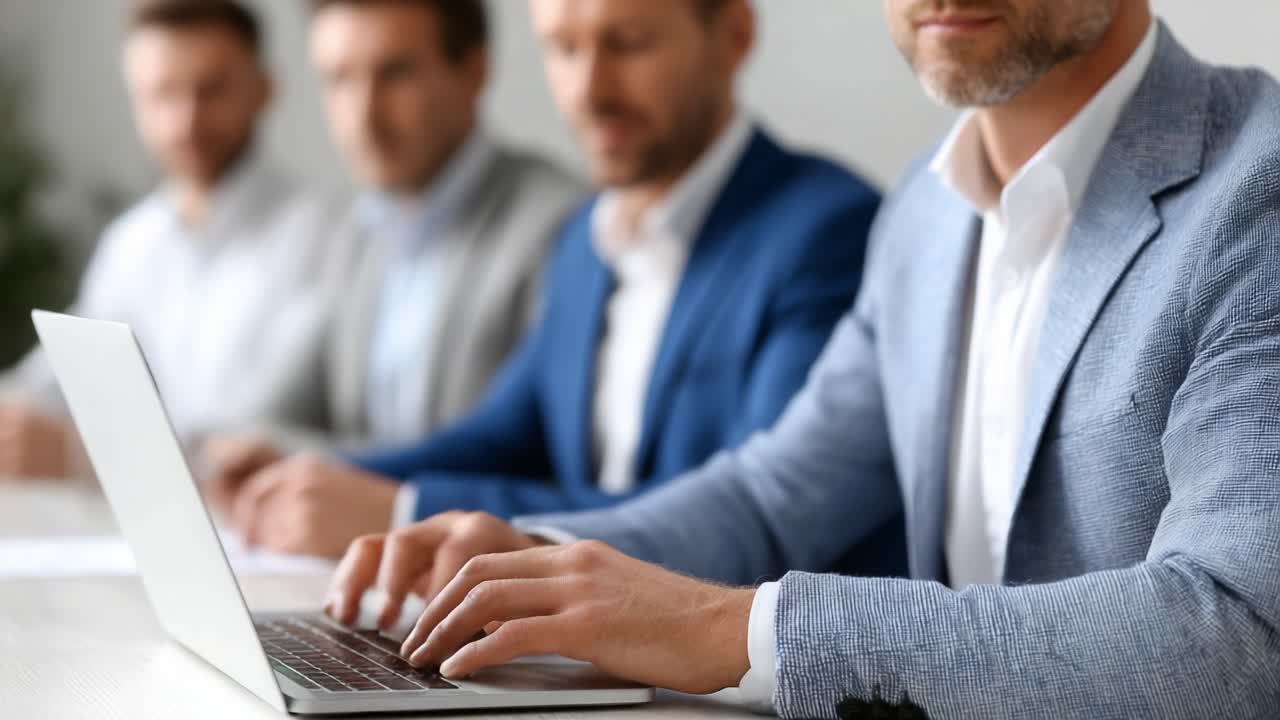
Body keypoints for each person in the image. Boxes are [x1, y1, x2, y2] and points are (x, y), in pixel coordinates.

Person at [325, 0, 1280, 717]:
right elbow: (776, 493)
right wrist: (535, 559)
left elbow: (1240, 633)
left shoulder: (1256, 193)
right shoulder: (926, 210)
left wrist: (728, 629)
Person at [221, 0, 883, 560]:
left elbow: (743, 517)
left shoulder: (825, 232)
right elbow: (501, 437)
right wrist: (316, 480)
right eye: (562, 48)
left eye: (627, 44)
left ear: (734, 34)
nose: (588, 91)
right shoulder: (584, 241)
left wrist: (405, 509)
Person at [200, 0, 585, 511]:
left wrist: (315, 466)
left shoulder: (560, 226)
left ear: (474, 70)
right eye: (338, 79)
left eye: (395, 74)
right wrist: (252, 454)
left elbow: (513, 457)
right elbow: (263, 419)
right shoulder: (357, 233)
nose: (363, 115)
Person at [0, 0, 347, 480]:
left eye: (211, 90)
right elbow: (55, 377)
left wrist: (85, 454)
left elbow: (257, 430)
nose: (186, 120)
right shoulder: (132, 242)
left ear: (264, 90)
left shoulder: (325, 238)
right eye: (162, 93)